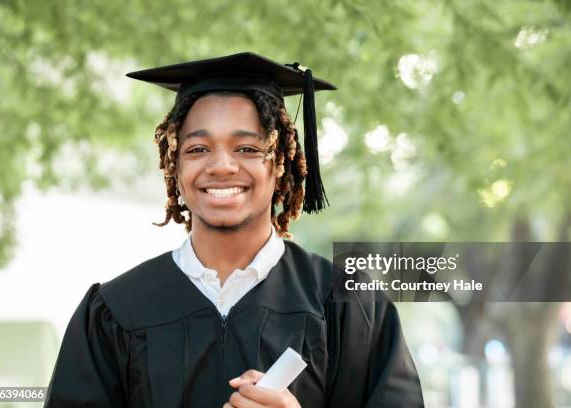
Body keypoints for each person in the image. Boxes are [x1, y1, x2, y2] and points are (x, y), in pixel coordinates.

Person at [44, 52, 424, 407]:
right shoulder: (115, 311)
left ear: (279, 165)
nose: (221, 165)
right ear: (174, 166)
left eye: (246, 149)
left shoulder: (348, 307)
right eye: (197, 149)